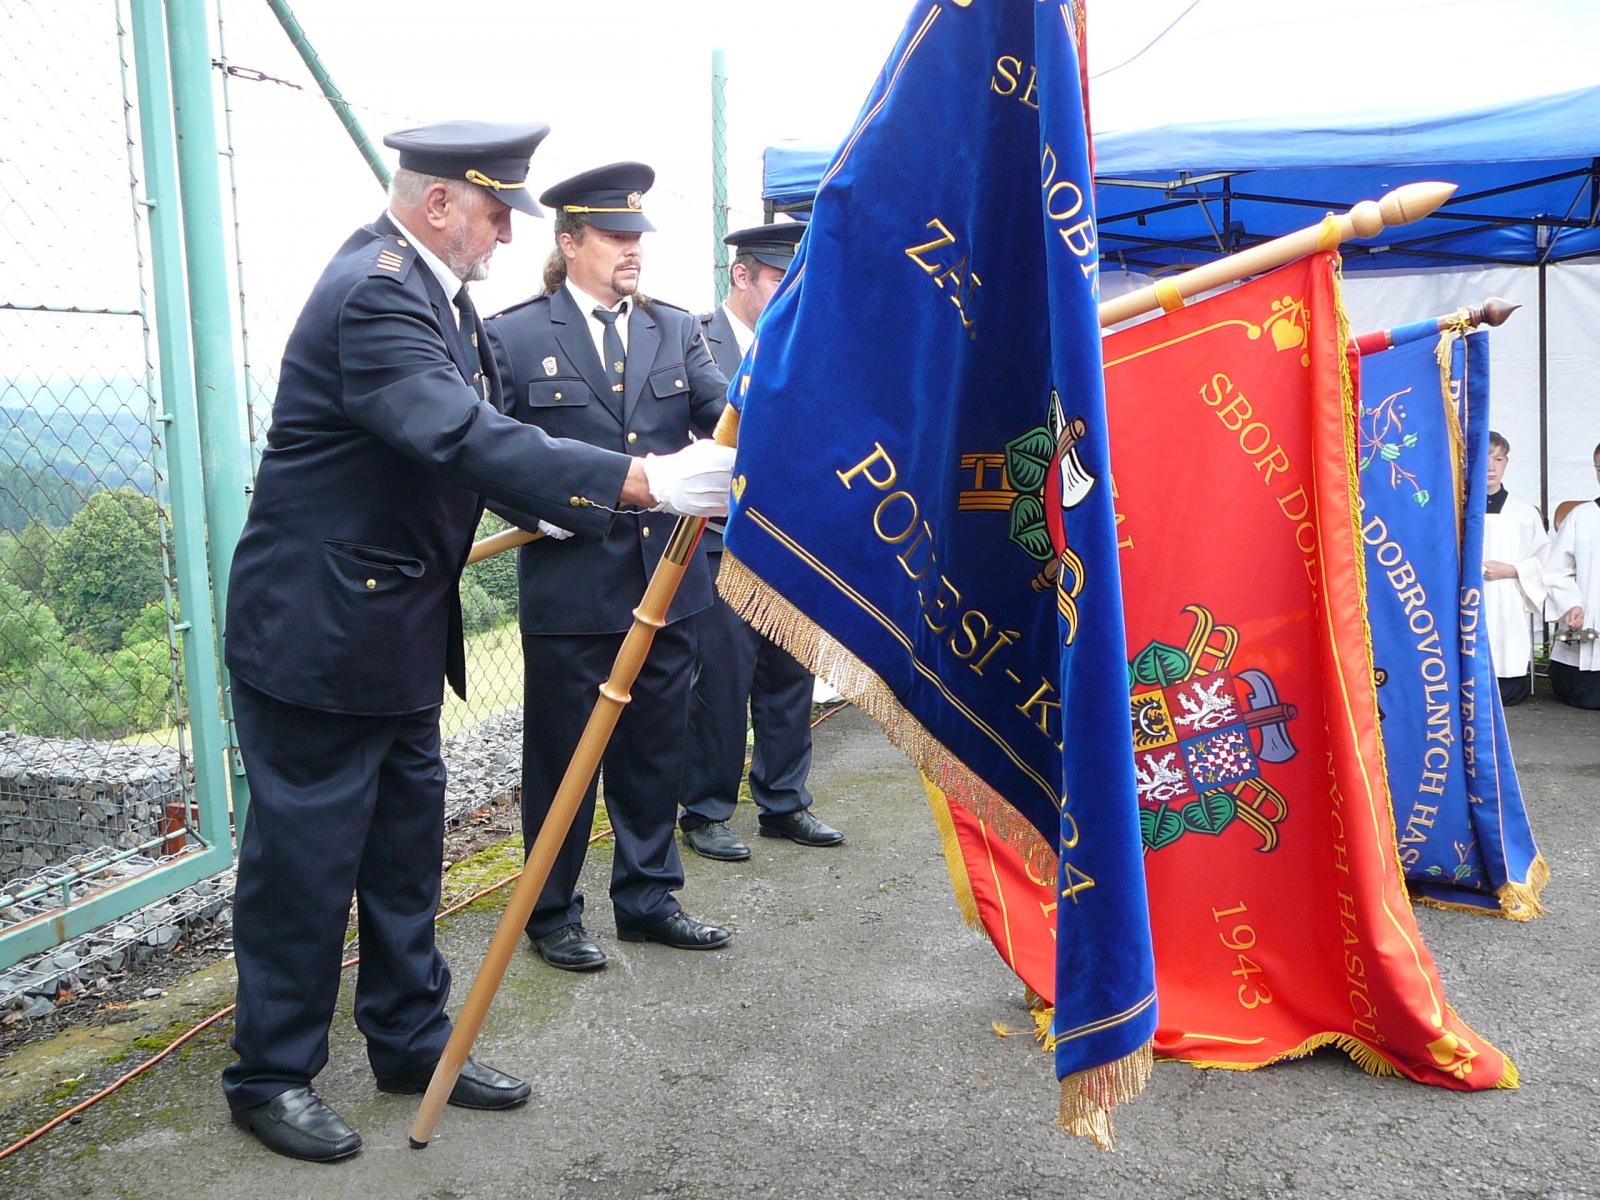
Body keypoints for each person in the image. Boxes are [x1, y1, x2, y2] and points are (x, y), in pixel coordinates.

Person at [222, 125, 734, 1163]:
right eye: (498, 210)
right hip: (319, 636)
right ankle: (271, 1075)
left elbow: (474, 441)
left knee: (405, 855)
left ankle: (412, 1043)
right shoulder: (375, 290)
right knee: (307, 868)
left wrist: (564, 503)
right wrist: (639, 482)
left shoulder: (434, 293)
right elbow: (452, 429)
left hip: (394, 626)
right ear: (442, 202)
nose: (510, 233)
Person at [486, 162, 732, 973]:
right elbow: (487, 454)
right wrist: (538, 513)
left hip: (667, 582)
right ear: (569, 242)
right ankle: (551, 912)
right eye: (616, 237)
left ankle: (650, 895)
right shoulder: (514, 335)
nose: (634, 250)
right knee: (563, 759)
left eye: (638, 237)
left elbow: (719, 414)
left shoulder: (674, 329)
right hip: (572, 586)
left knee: (655, 747)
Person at [680, 223, 845, 862]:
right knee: (721, 680)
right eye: (778, 279)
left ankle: (785, 800)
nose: (787, 294)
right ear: (741, 276)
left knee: (788, 677)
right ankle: (707, 811)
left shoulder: (810, 345)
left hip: (792, 539)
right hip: (720, 539)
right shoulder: (692, 339)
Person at [1482, 431, 1549, 705]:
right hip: (1472, 598)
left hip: (1510, 595)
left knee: (1507, 687)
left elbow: (1544, 560)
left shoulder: (1524, 513)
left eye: (1498, 459)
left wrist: (1512, 571)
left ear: (1506, 463)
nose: (1490, 467)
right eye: (1485, 459)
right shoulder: (1459, 508)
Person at [1546, 441, 1600, 708]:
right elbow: (1557, 571)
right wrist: (1571, 604)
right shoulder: (1581, 517)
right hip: (1589, 628)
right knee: (1585, 696)